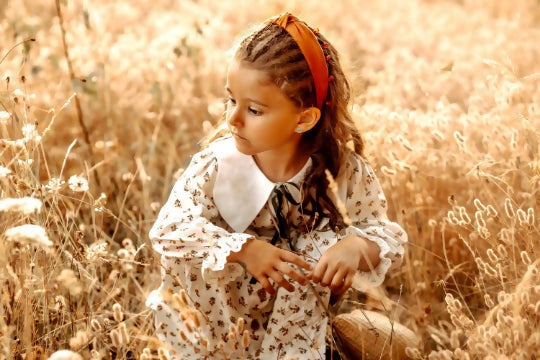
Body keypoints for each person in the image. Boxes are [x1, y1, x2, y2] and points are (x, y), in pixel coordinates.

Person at [146, 12, 407, 360]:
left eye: (254, 110)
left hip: (291, 335)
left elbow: (386, 234)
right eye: (231, 99)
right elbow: (167, 228)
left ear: (304, 119)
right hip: (215, 326)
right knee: (193, 247)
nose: (233, 119)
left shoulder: (342, 172)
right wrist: (243, 249)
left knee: (325, 242)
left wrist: (355, 248)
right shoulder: (218, 165)